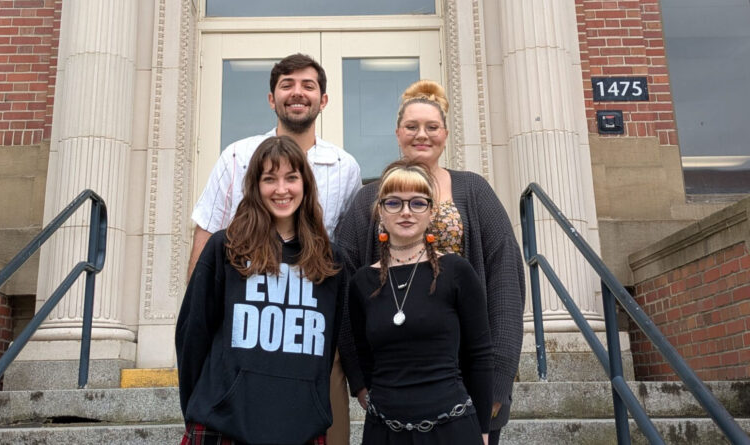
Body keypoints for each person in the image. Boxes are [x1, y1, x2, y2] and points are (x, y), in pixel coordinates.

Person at [335, 80, 525, 444]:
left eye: (431, 127)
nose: (421, 135)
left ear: (446, 134)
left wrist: (499, 376)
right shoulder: (367, 201)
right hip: (395, 381)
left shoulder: (474, 190)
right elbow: (346, 292)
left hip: (463, 373)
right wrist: (359, 379)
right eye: (411, 127)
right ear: (397, 133)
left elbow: (505, 282)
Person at [189, 53, 362, 444]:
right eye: (287, 85)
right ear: (271, 98)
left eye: (308, 85)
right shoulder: (237, 155)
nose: (297, 93)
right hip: (245, 335)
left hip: (311, 335)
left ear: (324, 100)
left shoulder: (345, 166)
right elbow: (207, 235)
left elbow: (346, 255)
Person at [177, 136, 348, 445]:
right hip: (222, 425)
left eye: (291, 178)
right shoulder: (224, 248)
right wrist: (197, 405)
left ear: (306, 184)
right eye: (269, 179)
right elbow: (193, 334)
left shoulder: (331, 261)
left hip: (301, 429)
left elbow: (330, 346)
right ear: (255, 187)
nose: (281, 189)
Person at [348, 160, 494, 444]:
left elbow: (479, 355)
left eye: (417, 203)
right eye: (394, 203)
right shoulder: (363, 282)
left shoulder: (456, 271)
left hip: (451, 428)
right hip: (384, 431)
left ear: (431, 213)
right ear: (380, 211)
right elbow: (361, 353)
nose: (405, 212)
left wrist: (484, 430)